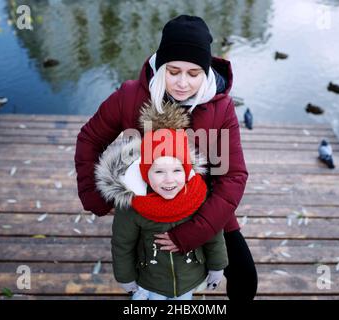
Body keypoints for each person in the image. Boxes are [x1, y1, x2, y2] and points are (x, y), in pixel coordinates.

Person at [75, 14, 258, 300]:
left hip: (201, 204)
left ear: (206, 72)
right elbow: (89, 139)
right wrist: (94, 196)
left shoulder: (220, 108)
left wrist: (195, 232)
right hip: (145, 209)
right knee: (145, 278)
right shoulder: (130, 96)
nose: (182, 83)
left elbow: (233, 175)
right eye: (173, 71)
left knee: (246, 278)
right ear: (161, 67)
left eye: (193, 73)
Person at [94, 101, 227, 300]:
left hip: (189, 276)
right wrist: (126, 277)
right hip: (151, 277)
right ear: (146, 174)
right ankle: (141, 293)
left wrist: (217, 266)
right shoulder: (134, 205)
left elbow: (213, 234)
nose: (169, 180)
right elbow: (123, 244)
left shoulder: (198, 195)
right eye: (159, 171)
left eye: (176, 170)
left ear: (187, 170)